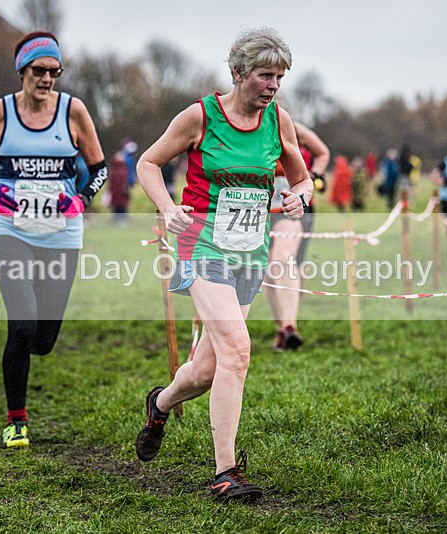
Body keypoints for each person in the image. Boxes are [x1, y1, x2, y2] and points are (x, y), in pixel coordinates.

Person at [134, 27, 311, 502]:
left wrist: (299, 196)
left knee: (207, 370)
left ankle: (161, 403)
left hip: (248, 255)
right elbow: (147, 163)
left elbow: (302, 176)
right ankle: (225, 472)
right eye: (265, 75)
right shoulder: (200, 117)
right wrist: (168, 208)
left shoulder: (279, 122)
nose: (273, 86)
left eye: (279, 77)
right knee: (237, 351)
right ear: (238, 73)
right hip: (201, 248)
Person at [0, 31, 108, 448]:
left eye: (54, 72)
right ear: (22, 70)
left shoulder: (74, 112)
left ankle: (32, 353)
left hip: (61, 236)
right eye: (39, 70)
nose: (47, 79)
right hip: (10, 231)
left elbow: (99, 169)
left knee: (42, 340)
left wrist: (80, 199)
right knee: (20, 325)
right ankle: (16, 419)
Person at [263, 121, 329, 351]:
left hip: (294, 210)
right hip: (260, 212)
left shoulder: (290, 127)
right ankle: (282, 329)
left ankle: (291, 327)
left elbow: (322, 152)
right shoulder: (246, 128)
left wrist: (315, 174)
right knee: (268, 272)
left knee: (282, 258)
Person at [108, 151, 130, 224]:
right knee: (120, 206)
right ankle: (119, 220)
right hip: (119, 192)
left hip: (118, 193)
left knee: (120, 206)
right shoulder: (122, 169)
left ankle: (120, 219)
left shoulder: (114, 170)